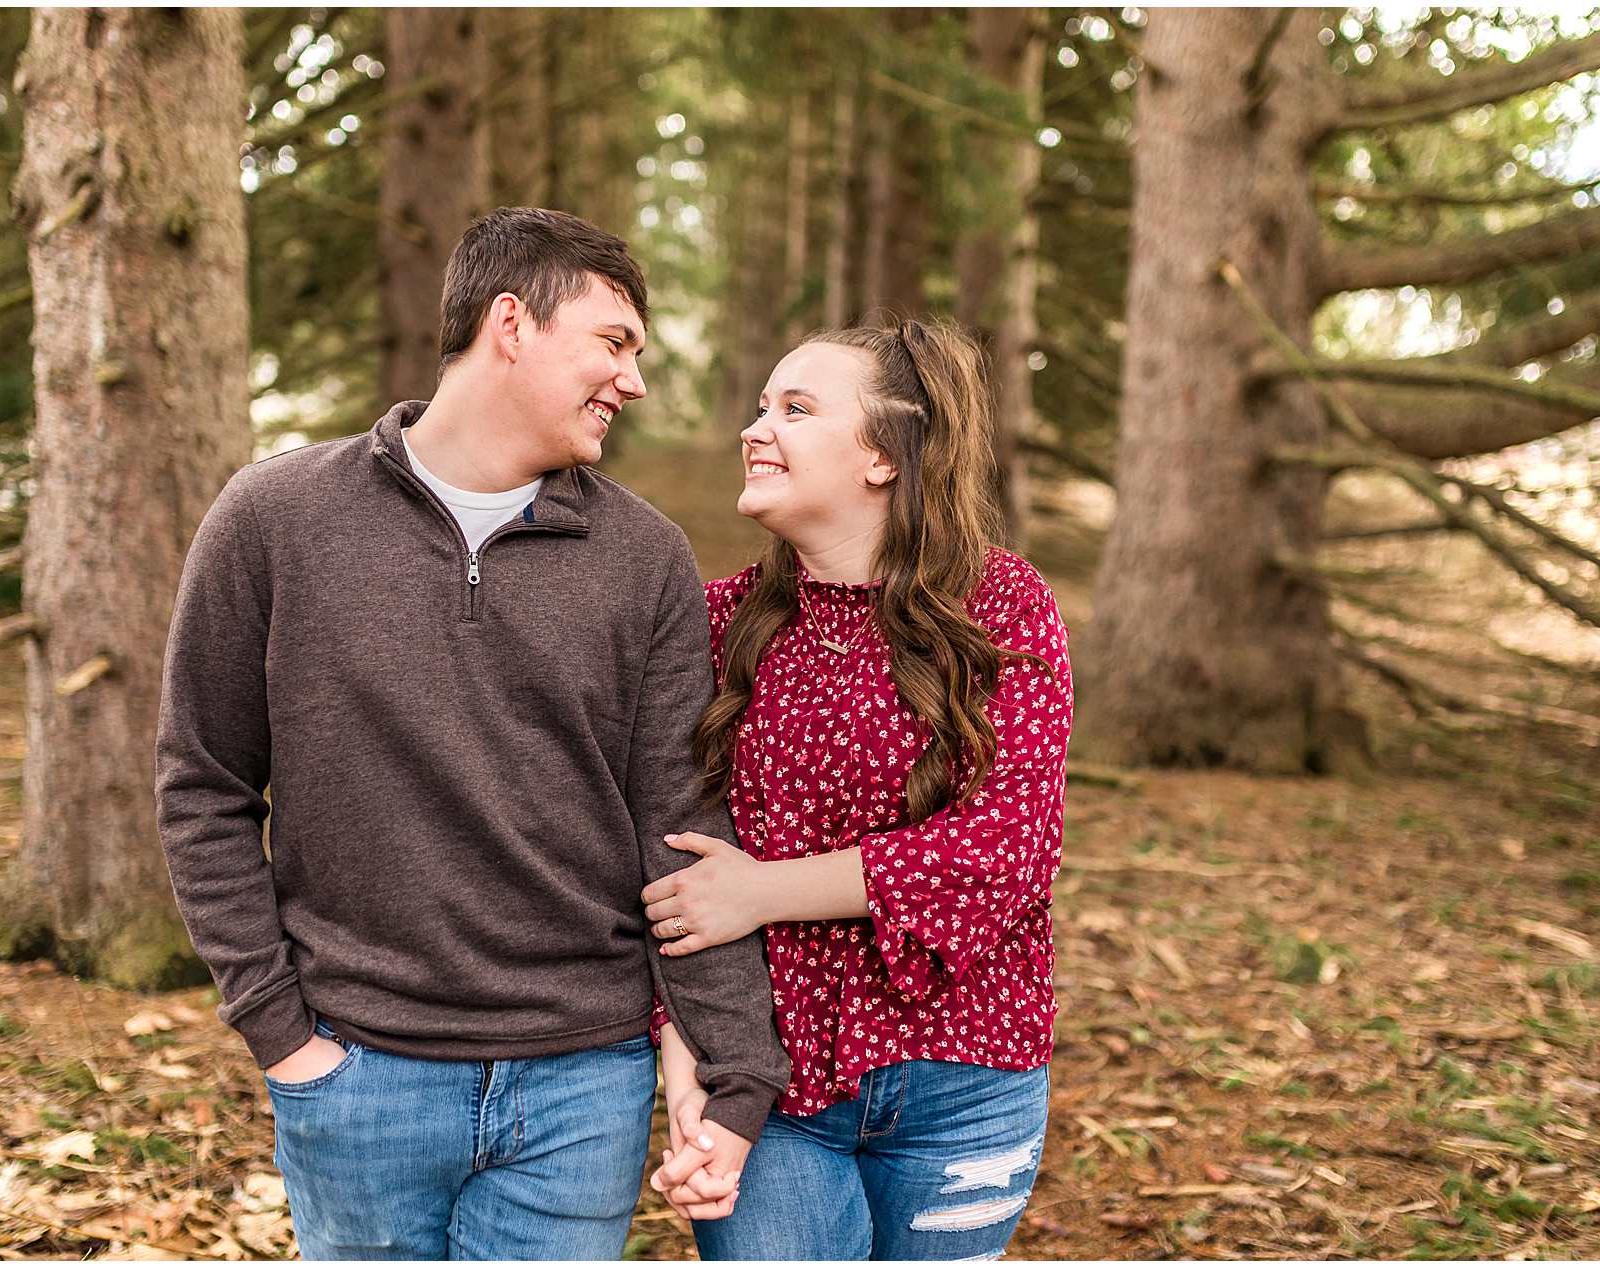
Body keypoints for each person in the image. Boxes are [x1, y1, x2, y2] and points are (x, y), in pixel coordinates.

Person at [155, 207, 787, 1261]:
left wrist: (735, 1069)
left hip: (581, 1081)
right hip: (357, 1072)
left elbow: (680, 829)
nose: (632, 380)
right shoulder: (272, 518)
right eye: (613, 341)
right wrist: (280, 1033)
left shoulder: (644, 557)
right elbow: (204, 785)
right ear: (511, 322)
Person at [639, 318, 1074, 1260]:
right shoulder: (714, 624)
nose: (756, 429)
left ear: (883, 456)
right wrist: (689, 1079)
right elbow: (669, 870)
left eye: (795, 409)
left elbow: (1005, 852)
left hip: (967, 1079)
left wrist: (762, 892)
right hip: (770, 1092)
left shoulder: (1001, 608)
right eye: (762, 406)